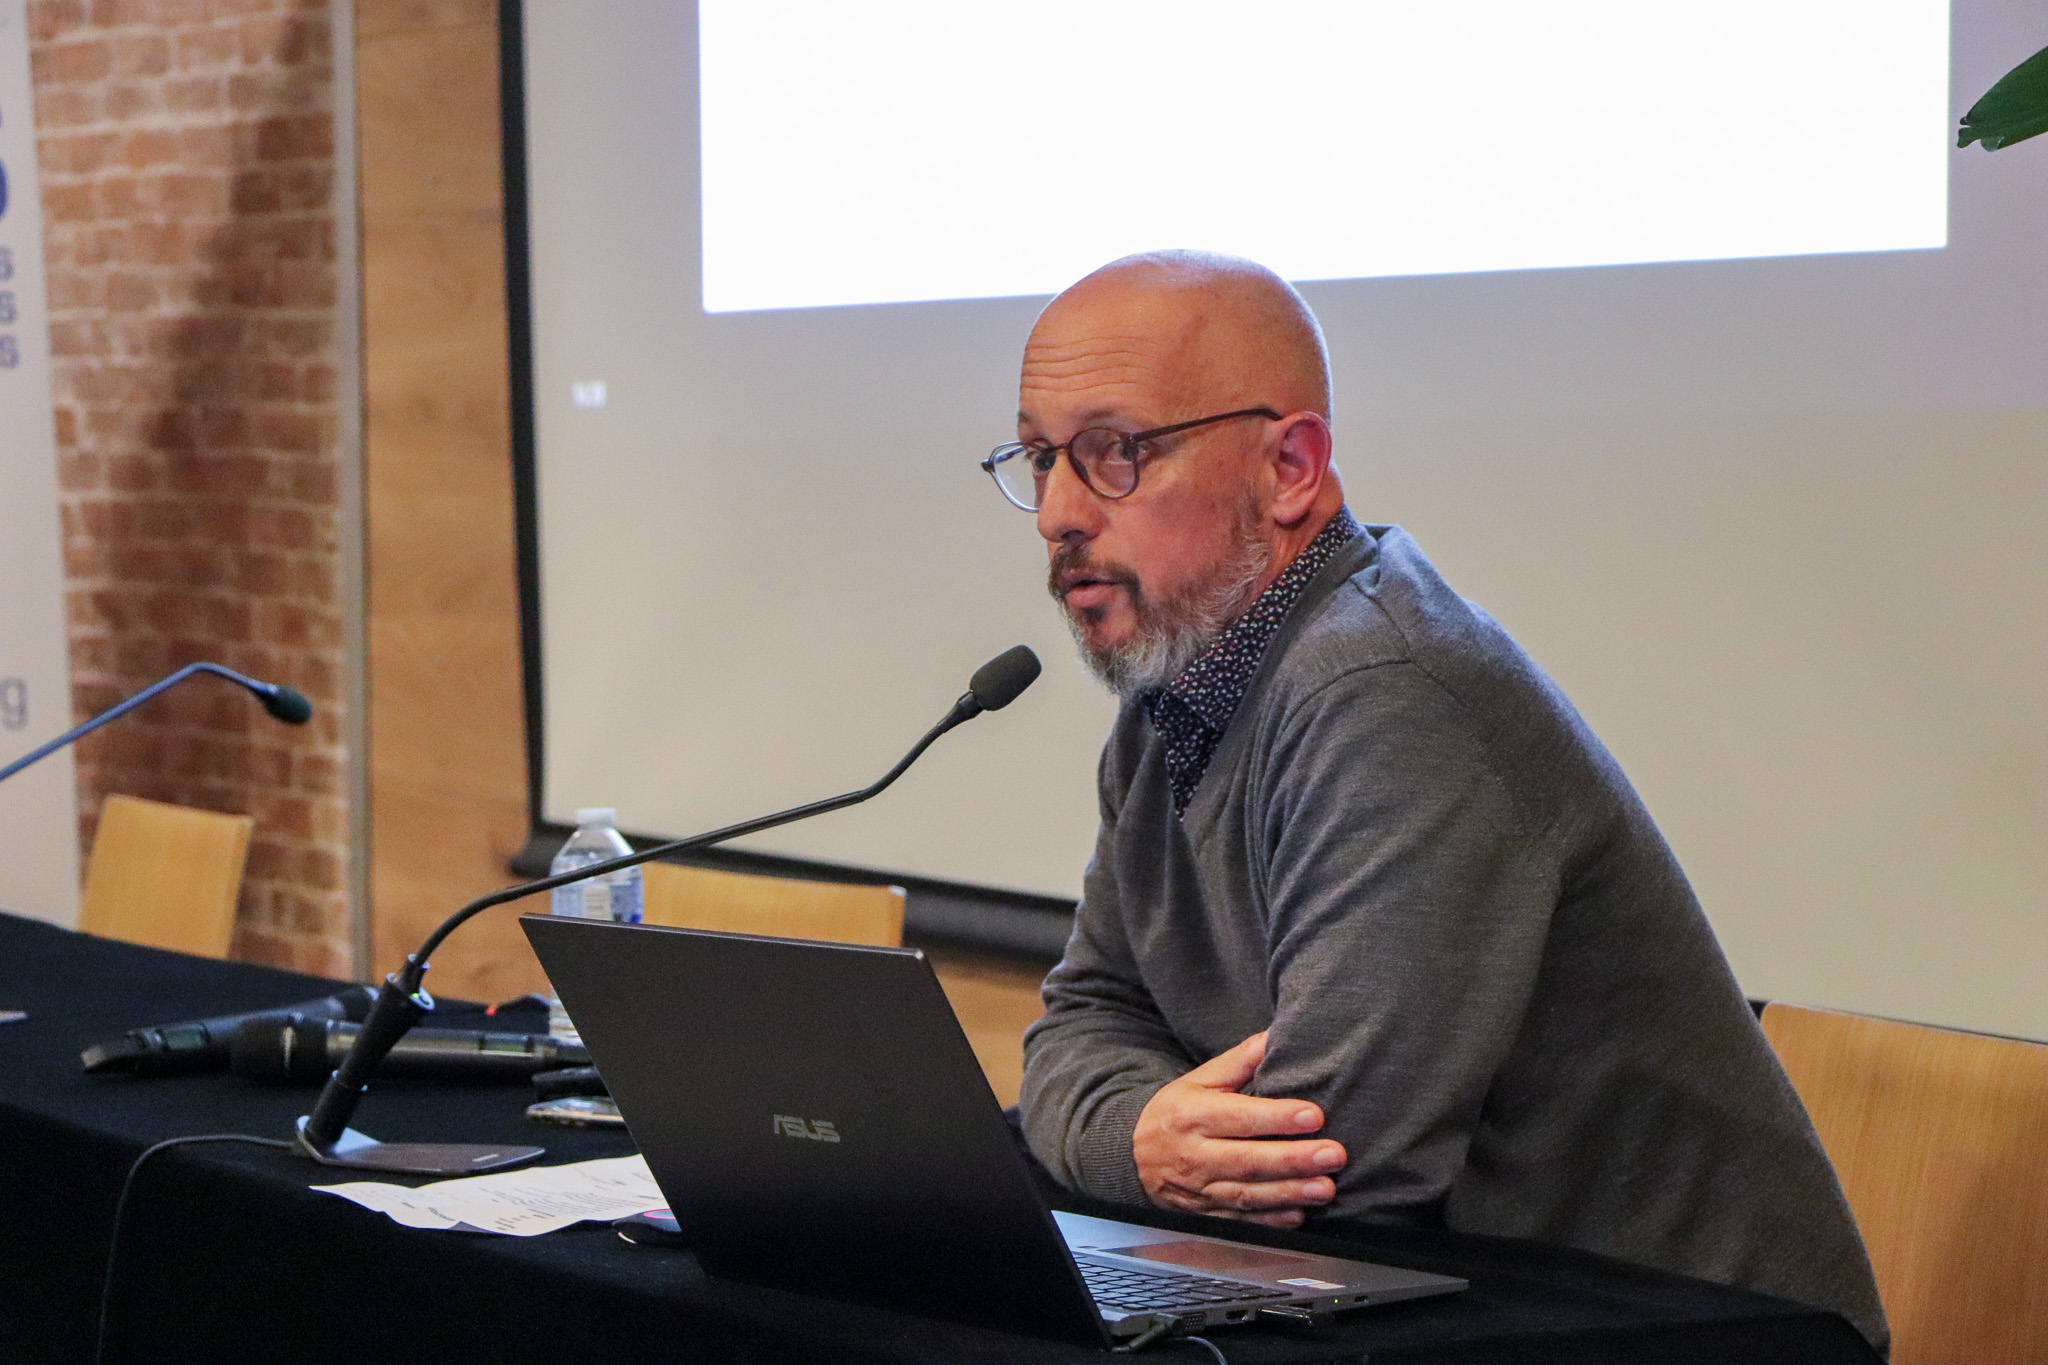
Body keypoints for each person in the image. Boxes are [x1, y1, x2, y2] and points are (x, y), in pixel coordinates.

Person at [998, 250, 1886, 1349]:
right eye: (1040, 458)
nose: (1056, 513)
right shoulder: (1173, 687)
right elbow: (1085, 1019)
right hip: (1443, 1304)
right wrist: (1137, 1138)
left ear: (1290, 468)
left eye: (1114, 453)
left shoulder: (1389, 695)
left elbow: (1328, 1162)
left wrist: (1105, 1137)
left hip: (1688, 1330)